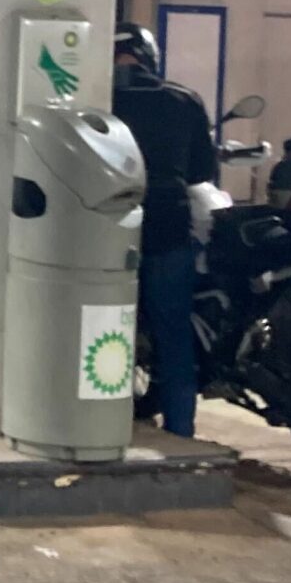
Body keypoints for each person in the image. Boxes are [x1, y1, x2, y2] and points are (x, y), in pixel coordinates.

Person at [110, 22, 218, 438]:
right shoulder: (182, 100)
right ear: (149, 56)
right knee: (174, 336)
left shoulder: (98, 100)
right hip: (168, 228)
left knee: (102, 326)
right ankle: (180, 431)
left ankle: (100, 420)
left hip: (105, 229)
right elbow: (201, 172)